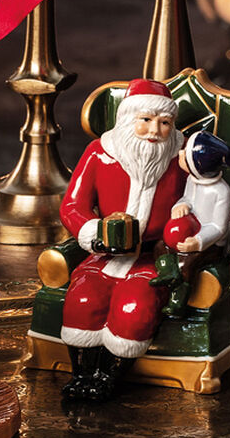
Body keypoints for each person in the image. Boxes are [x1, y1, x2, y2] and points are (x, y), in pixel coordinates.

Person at [58, 79, 186, 401]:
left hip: (151, 257)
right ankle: (82, 374)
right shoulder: (100, 154)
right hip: (103, 254)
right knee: (83, 300)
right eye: (145, 120)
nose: (154, 130)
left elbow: (214, 198)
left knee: (135, 307)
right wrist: (94, 234)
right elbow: (72, 206)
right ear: (128, 120)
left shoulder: (180, 160)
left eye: (164, 122)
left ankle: (108, 378)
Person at [150, 131, 230, 318]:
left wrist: (197, 242)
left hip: (210, 244)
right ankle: (168, 273)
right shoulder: (192, 180)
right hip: (186, 230)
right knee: (160, 246)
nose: (181, 154)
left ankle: (177, 300)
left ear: (199, 166)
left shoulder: (221, 191)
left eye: (186, 155)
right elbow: (187, 198)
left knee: (186, 262)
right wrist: (182, 205)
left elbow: (218, 227)